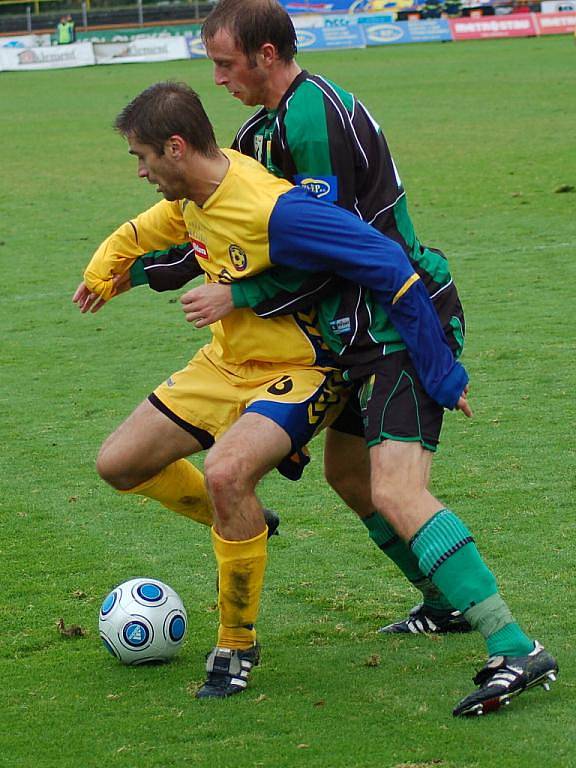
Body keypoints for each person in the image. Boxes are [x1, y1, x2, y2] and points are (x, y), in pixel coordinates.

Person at [73, 81, 471, 704]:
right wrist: (106, 276)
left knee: (227, 473)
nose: (141, 171)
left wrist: (442, 369)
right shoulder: (191, 198)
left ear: (175, 149)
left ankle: (236, 644)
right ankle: (247, 525)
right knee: (118, 464)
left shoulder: (269, 203)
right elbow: (141, 235)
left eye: (142, 157)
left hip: (303, 365)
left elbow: (367, 261)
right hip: (225, 363)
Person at [133, 0, 470, 637]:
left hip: (387, 314)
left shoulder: (313, 112)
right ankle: (443, 600)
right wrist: (140, 271)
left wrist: (241, 296)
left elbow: (328, 247)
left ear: (266, 55)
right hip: (339, 327)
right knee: (348, 476)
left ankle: (505, 635)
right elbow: (225, 230)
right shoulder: (257, 133)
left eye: (225, 63)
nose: (218, 79)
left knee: (395, 488)